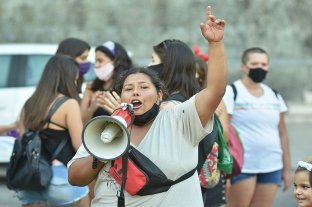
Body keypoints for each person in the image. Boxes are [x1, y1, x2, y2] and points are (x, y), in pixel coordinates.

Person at [68, 5, 227, 207]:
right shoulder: (106, 129)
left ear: (159, 95)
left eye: (144, 87)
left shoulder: (180, 118)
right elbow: (75, 177)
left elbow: (215, 91)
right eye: (128, 89)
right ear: (121, 96)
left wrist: (216, 44)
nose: (136, 92)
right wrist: (103, 151)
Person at [15, 54, 89, 207]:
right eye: (75, 79)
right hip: (60, 178)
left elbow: (23, 141)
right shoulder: (69, 104)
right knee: (85, 197)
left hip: (29, 178)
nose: (75, 83)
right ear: (67, 78)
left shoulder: (29, 104)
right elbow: (79, 146)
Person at [223, 47, 292, 207]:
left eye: (264, 64)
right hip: (242, 167)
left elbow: (283, 133)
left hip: (272, 166)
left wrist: (287, 169)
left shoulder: (274, 95)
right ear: (244, 66)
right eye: (254, 63)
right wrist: (224, 171)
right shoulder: (231, 92)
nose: (259, 67)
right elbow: (224, 131)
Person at [80, 41, 133, 124]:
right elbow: (81, 123)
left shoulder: (128, 87)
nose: (96, 65)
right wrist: (92, 108)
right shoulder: (91, 87)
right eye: (95, 61)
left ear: (116, 62)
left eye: (100, 61)